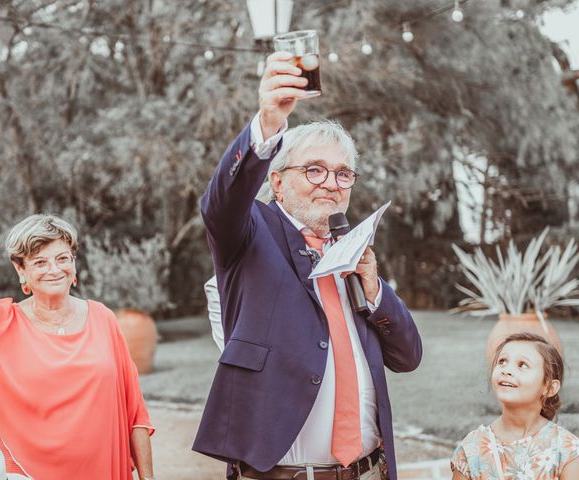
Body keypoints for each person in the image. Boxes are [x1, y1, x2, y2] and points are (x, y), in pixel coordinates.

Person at [193, 51, 422, 480]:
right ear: (277, 181)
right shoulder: (250, 233)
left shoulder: (351, 247)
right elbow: (220, 204)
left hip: (368, 472)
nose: (330, 184)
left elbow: (408, 357)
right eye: (314, 170)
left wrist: (374, 292)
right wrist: (268, 123)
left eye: (342, 174)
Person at [0, 162, 155, 479]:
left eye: (62, 258)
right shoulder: (3, 322)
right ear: (21, 271)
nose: (54, 269)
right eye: (39, 261)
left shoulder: (103, 319)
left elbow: (135, 411)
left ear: (74, 264)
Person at [451, 332, 579, 479]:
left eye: (522, 365)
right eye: (502, 361)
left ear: (549, 388)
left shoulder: (566, 449)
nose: (506, 370)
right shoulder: (472, 448)